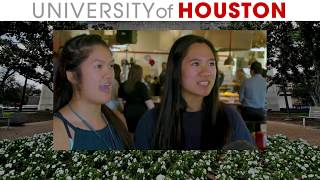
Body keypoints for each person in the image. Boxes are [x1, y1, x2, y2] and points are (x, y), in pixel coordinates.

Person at [135, 35, 254, 150]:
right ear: (176, 69)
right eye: (196, 63)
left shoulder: (229, 117)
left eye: (211, 63)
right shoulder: (151, 121)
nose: (207, 72)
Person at [53, 34, 133, 150]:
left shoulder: (118, 119)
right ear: (73, 76)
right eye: (99, 66)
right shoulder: (59, 130)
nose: (109, 75)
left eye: (111, 65)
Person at [119, 64, 155, 134]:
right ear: (140, 74)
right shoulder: (141, 86)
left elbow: (119, 101)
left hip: (127, 112)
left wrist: (124, 110)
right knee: (140, 134)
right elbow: (150, 105)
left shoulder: (123, 85)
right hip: (140, 114)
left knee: (129, 133)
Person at [239, 61, 267, 129]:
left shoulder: (246, 82)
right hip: (261, 112)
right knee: (259, 133)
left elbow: (240, 98)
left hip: (248, 112)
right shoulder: (266, 82)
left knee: (247, 131)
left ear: (252, 71)